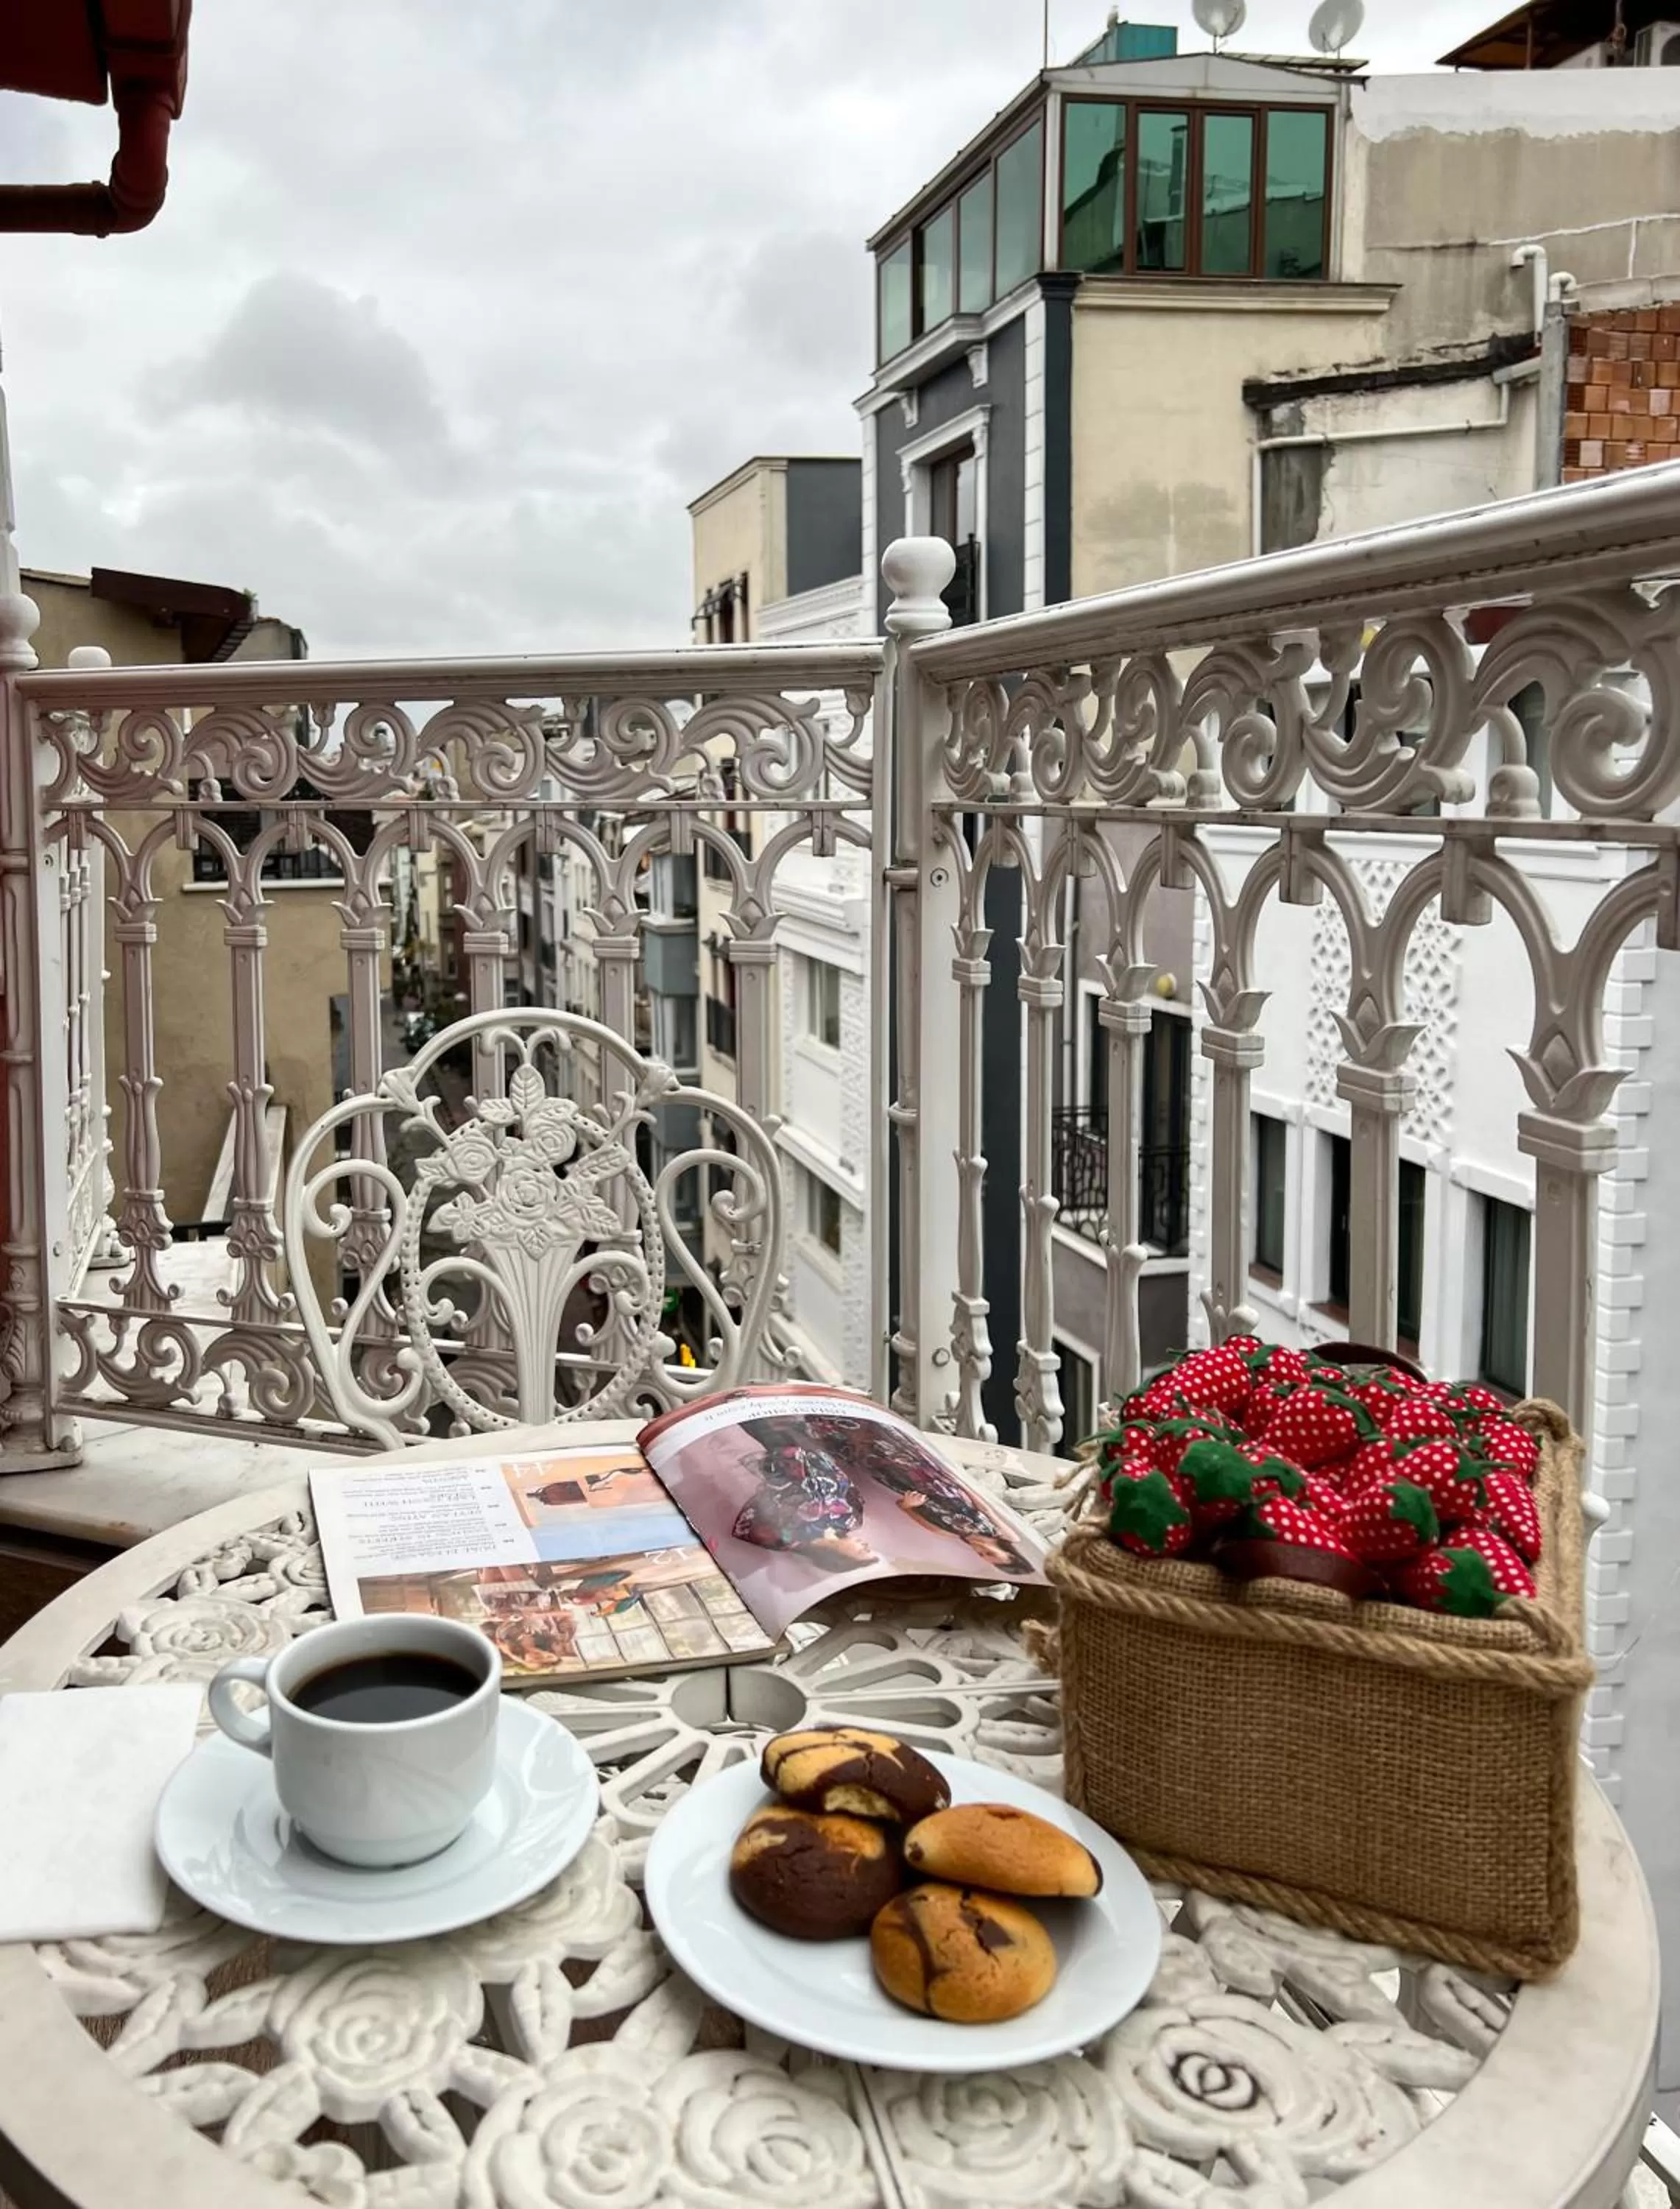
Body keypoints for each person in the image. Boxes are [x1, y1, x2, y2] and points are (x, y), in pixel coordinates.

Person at [806, 1414, 1037, 1576]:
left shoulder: (948, 1531)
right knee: (887, 1441)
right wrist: (961, 1485)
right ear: (1008, 1552)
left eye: (983, 1556)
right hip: (937, 1477)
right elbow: (985, 1508)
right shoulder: (1003, 1533)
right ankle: (846, 1422)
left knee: (869, 1454)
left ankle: (825, 1430)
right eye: (990, 1553)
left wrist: (910, 1503)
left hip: (905, 1480)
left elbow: (905, 1508)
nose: (982, 1551)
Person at [729, 1416, 878, 1568]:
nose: (866, 1545)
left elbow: (757, 1515)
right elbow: (844, 1486)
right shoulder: (850, 1521)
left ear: (841, 1559)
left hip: (764, 1466)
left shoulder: (789, 1541)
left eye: (863, 1551)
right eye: (869, 1549)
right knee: (768, 1423)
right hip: (802, 1451)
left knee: (751, 1429)